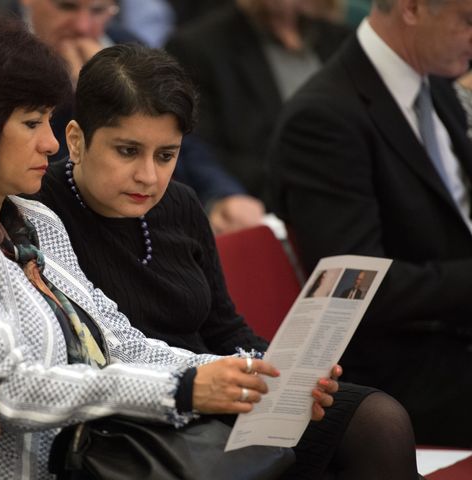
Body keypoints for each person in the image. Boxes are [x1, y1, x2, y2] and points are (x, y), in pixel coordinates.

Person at [0, 16, 346, 480]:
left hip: (99, 459)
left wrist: (254, 374)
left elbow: (121, 345)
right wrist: (183, 389)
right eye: (32, 122)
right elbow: (8, 387)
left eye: (49, 120)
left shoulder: (31, 216)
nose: (50, 141)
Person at [33, 43, 419, 479]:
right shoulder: (39, 211)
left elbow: (223, 327)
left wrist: (286, 373)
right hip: (133, 415)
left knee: (378, 420)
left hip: (223, 393)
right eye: (127, 151)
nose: (149, 176)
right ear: (76, 140)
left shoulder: (179, 203)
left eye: (166, 155)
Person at [268, 0, 472, 446]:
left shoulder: (434, 83)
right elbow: (358, 290)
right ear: (413, 8)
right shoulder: (323, 118)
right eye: (468, 21)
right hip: (404, 367)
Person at [20, 0, 266, 234]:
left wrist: (222, 192)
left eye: (98, 10)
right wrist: (76, 98)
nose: (82, 26)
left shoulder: (123, 43)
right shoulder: (7, 59)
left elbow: (182, 137)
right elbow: (45, 162)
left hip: (164, 213)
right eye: (67, 6)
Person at [165, 0, 350, 202]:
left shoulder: (341, 39)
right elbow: (200, 152)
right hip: (263, 203)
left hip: (348, 193)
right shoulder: (198, 46)